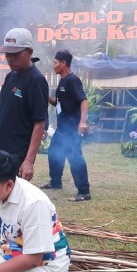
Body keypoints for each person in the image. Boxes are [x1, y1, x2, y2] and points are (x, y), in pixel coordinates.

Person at [0, 28, 49, 181]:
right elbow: (3, 115)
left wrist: (28, 161)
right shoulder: (10, 76)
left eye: (15, 55)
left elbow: (39, 122)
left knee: (14, 199)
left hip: (18, 154)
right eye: (7, 54)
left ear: (29, 52)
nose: (10, 59)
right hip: (1, 152)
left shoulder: (35, 80)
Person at [41, 49, 91, 202]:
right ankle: (55, 182)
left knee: (75, 157)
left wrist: (82, 122)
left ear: (63, 63)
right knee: (54, 152)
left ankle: (84, 191)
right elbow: (59, 103)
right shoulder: (62, 81)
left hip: (72, 128)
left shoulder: (72, 80)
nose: (53, 66)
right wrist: (47, 97)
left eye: (55, 63)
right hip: (63, 128)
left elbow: (83, 100)